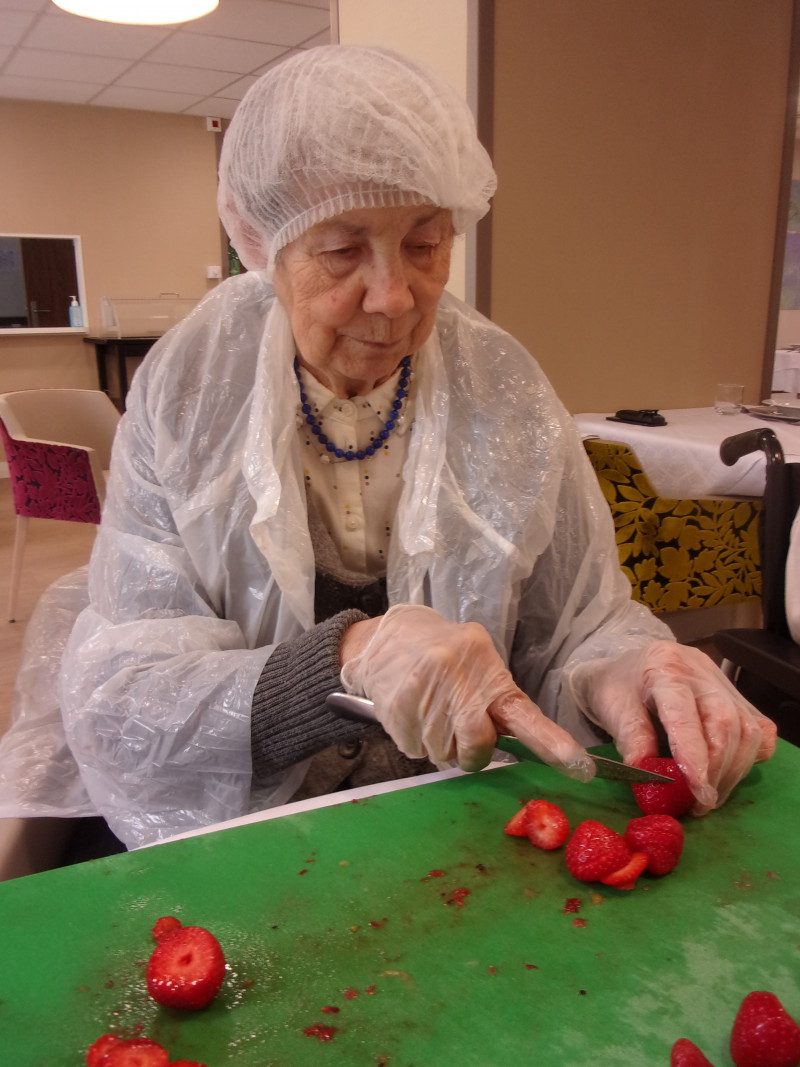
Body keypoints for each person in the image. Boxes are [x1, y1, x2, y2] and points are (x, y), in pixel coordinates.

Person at [48, 45, 773, 850]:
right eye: (341, 249)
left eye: (426, 244)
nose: (393, 298)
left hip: (456, 828)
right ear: (262, 241)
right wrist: (343, 659)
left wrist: (626, 667)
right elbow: (127, 693)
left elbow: (577, 619)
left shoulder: (506, 389)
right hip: (253, 836)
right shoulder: (187, 391)